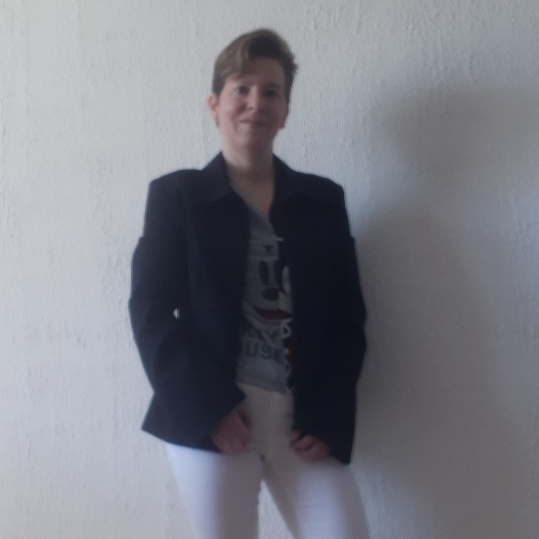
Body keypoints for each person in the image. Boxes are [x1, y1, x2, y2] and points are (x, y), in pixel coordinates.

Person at [129, 28, 369, 539]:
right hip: (216, 416)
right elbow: (151, 313)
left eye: (271, 92)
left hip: (304, 422)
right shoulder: (177, 198)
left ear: (285, 112)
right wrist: (209, 408)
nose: (256, 103)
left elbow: (348, 318)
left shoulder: (323, 202)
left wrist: (329, 413)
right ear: (215, 104)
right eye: (242, 88)